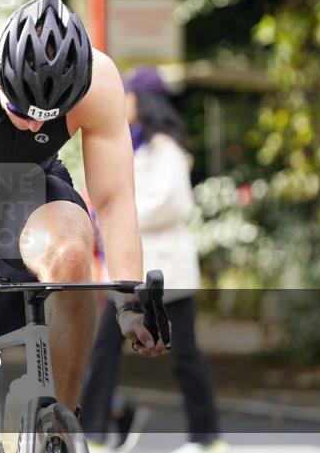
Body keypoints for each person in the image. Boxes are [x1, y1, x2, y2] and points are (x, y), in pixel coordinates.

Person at [0, 0, 168, 453]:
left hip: (31, 190)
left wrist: (130, 303)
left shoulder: (101, 81)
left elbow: (115, 202)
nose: (33, 127)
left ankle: (59, 425)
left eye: (48, 118)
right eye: (20, 112)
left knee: (71, 253)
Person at [80, 67, 225, 453]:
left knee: (186, 357)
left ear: (143, 101)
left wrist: (120, 216)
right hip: (131, 273)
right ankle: (92, 432)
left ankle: (207, 438)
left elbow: (173, 203)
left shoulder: (166, 147)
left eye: (127, 95)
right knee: (104, 350)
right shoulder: (131, 143)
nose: (122, 102)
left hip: (167, 271)